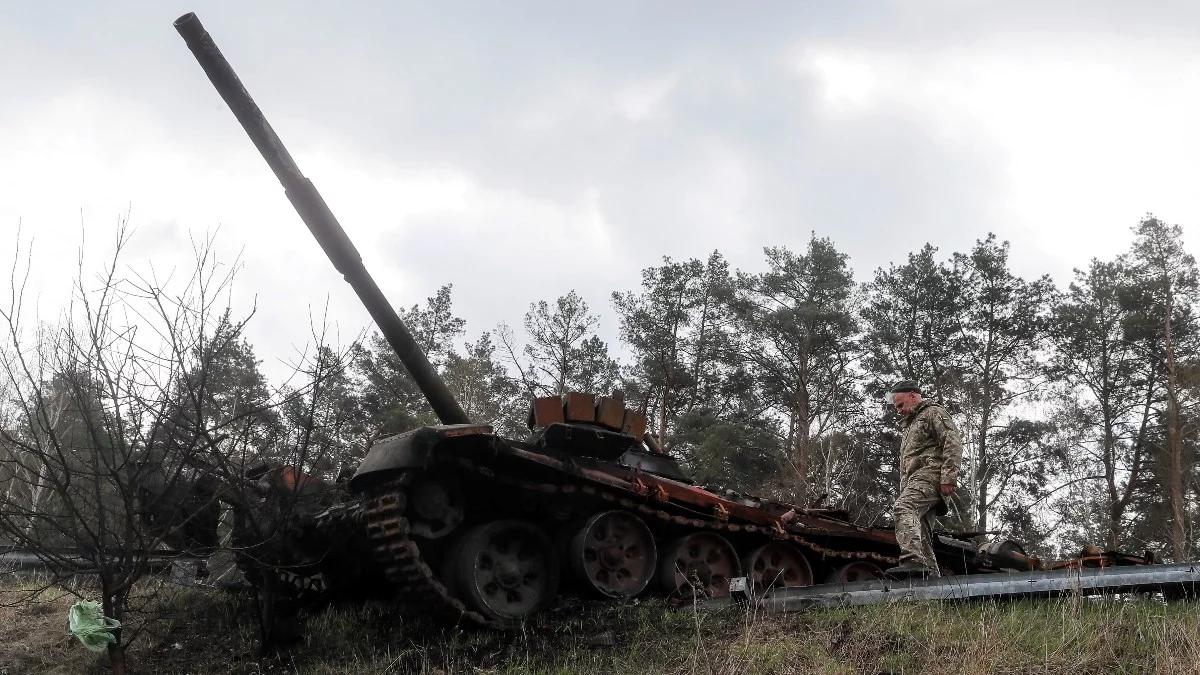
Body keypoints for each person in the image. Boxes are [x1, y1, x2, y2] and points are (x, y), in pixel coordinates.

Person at [885, 380, 963, 577]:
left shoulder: (932, 413)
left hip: (930, 477)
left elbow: (952, 442)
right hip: (917, 481)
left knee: (904, 507)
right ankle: (934, 588)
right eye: (896, 407)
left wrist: (949, 477)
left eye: (901, 405)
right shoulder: (911, 425)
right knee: (924, 538)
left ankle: (912, 560)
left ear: (913, 395)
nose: (899, 411)